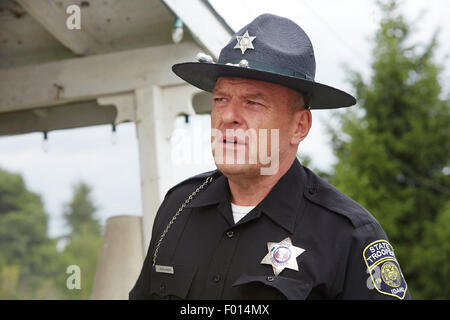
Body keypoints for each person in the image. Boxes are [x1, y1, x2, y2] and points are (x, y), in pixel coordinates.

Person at [129, 13, 410, 300]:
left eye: (253, 102)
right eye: (220, 99)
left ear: (299, 126)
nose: (228, 117)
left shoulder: (346, 234)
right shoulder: (178, 208)